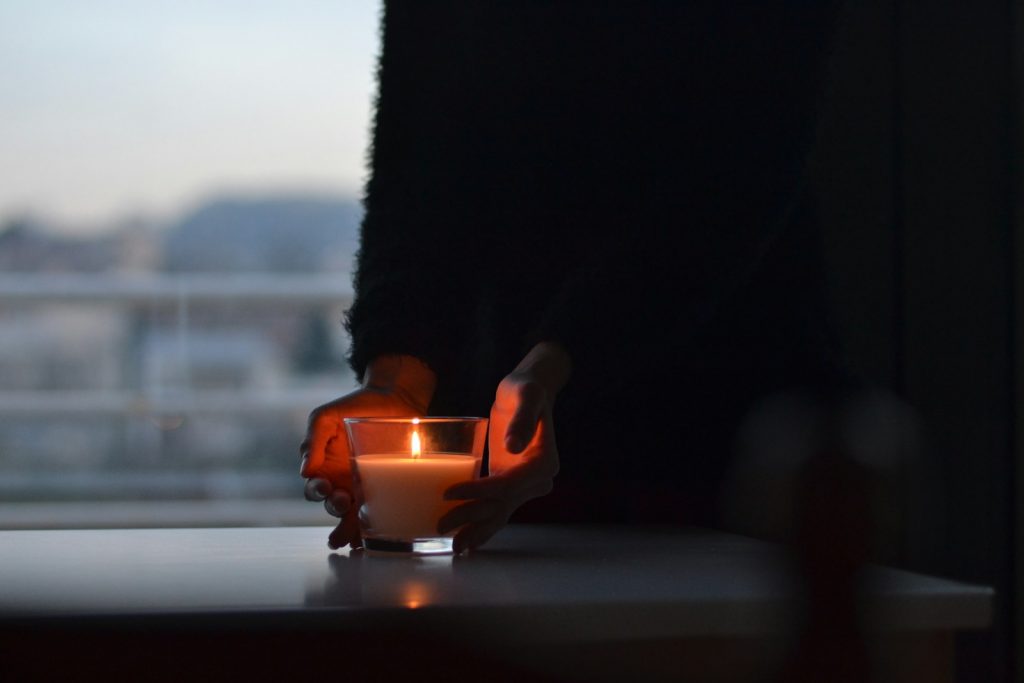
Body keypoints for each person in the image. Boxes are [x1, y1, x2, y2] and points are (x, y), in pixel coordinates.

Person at [300, 1, 850, 553]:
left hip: (729, 402)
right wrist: (397, 381)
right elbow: (417, 151)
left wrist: (562, 356)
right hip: (516, 428)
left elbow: (746, 161)